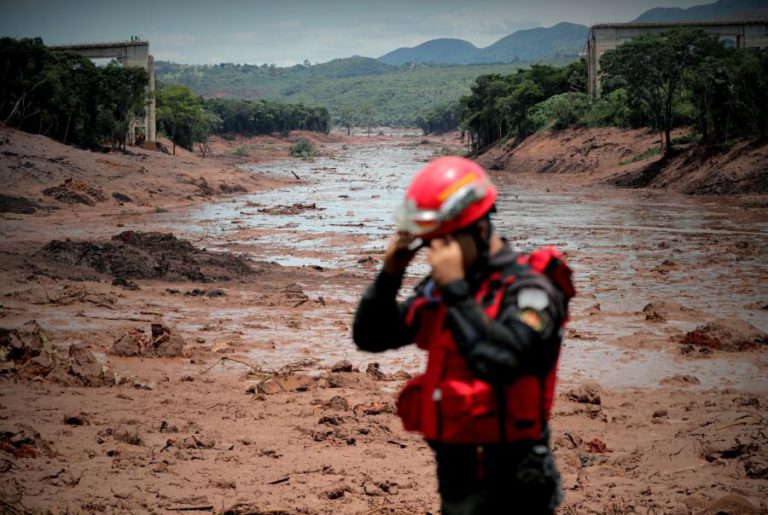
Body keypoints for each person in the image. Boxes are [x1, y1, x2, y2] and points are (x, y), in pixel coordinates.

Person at [353, 156, 573, 514]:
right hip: (457, 477)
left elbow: (501, 361)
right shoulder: (444, 289)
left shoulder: (532, 290)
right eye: (430, 243)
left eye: (444, 241)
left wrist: (456, 289)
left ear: (480, 228)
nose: (435, 253)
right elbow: (371, 336)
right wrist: (390, 272)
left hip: (516, 483)